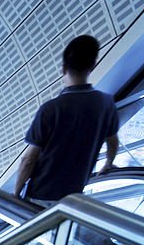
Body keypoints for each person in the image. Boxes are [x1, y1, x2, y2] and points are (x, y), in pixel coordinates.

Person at [14, 35, 119, 206]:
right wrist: (108, 163)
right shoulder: (106, 103)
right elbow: (112, 142)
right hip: (72, 197)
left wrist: (16, 193)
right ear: (92, 66)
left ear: (63, 68)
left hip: (41, 194)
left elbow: (29, 159)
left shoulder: (50, 108)